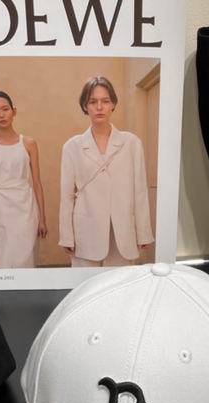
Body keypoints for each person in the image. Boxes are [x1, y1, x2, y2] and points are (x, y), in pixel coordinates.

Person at [59, 76, 154, 267]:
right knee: (86, 283)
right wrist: (66, 236)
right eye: (93, 102)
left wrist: (143, 233)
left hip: (122, 232)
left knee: (120, 283)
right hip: (86, 231)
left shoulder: (131, 143)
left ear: (113, 104)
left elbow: (140, 192)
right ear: (85, 106)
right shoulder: (72, 147)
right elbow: (67, 196)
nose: (99, 107)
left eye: (105, 101)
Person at [0, 91, 47, 268]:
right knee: (6, 261)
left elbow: (37, 183)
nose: (1, 115)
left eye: (5, 109)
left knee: (27, 260)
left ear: (14, 111)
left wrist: (42, 218)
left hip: (25, 208)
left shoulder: (29, 143)